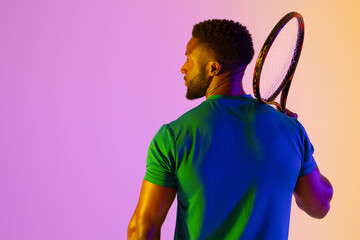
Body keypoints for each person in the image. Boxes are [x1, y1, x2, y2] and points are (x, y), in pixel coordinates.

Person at [127, 19, 333, 240]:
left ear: (213, 68)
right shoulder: (292, 132)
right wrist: (295, 138)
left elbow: (141, 228)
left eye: (188, 59)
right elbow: (319, 205)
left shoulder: (174, 136)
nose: (183, 68)